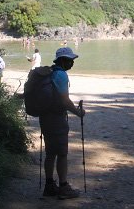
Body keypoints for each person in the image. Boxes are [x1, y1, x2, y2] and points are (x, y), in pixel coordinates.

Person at [40, 47, 85, 199]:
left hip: (45, 117)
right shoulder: (61, 75)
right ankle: (63, 187)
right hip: (56, 119)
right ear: (63, 61)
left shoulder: (51, 73)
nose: (72, 62)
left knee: (50, 153)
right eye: (70, 60)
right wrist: (78, 113)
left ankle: (49, 185)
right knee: (62, 154)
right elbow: (64, 100)